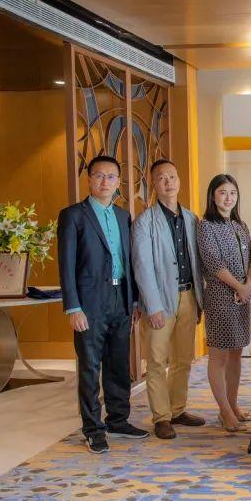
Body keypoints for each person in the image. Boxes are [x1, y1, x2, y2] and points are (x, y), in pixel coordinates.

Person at [58, 155, 148, 454]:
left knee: (118, 363)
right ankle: (93, 429)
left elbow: (129, 260)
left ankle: (118, 420)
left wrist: (134, 299)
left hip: (121, 299)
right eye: (99, 175)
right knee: (89, 366)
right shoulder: (73, 215)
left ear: (118, 182)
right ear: (89, 179)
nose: (105, 181)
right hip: (89, 303)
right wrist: (73, 307)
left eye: (111, 176)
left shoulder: (123, 216)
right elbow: (66, 265)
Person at [130, 159, 206, 440]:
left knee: (183, 358)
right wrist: (152, 306)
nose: (168, 182)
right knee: (157, 360)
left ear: (179, 181)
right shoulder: (144, 222)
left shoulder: (191, 219)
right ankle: (161, 417)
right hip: (160, 300)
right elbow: (142, 267)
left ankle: (177, 409)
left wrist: (199, 300)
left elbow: (198, 263)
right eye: (162, 178)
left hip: (189, 296)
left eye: (172, 176)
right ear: (154, 184)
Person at [197, 173, 251, 433]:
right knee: (219, 355)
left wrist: (247, 286)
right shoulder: (205, 226)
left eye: (232, 193)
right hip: (220, 297)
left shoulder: (240, 225)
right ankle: (224, 411)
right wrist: (239, 287)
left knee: (236, 353)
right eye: (222, 192)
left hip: (242, 298)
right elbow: (213, 263)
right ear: (213, 196)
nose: (228, 198)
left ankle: (233, 405)